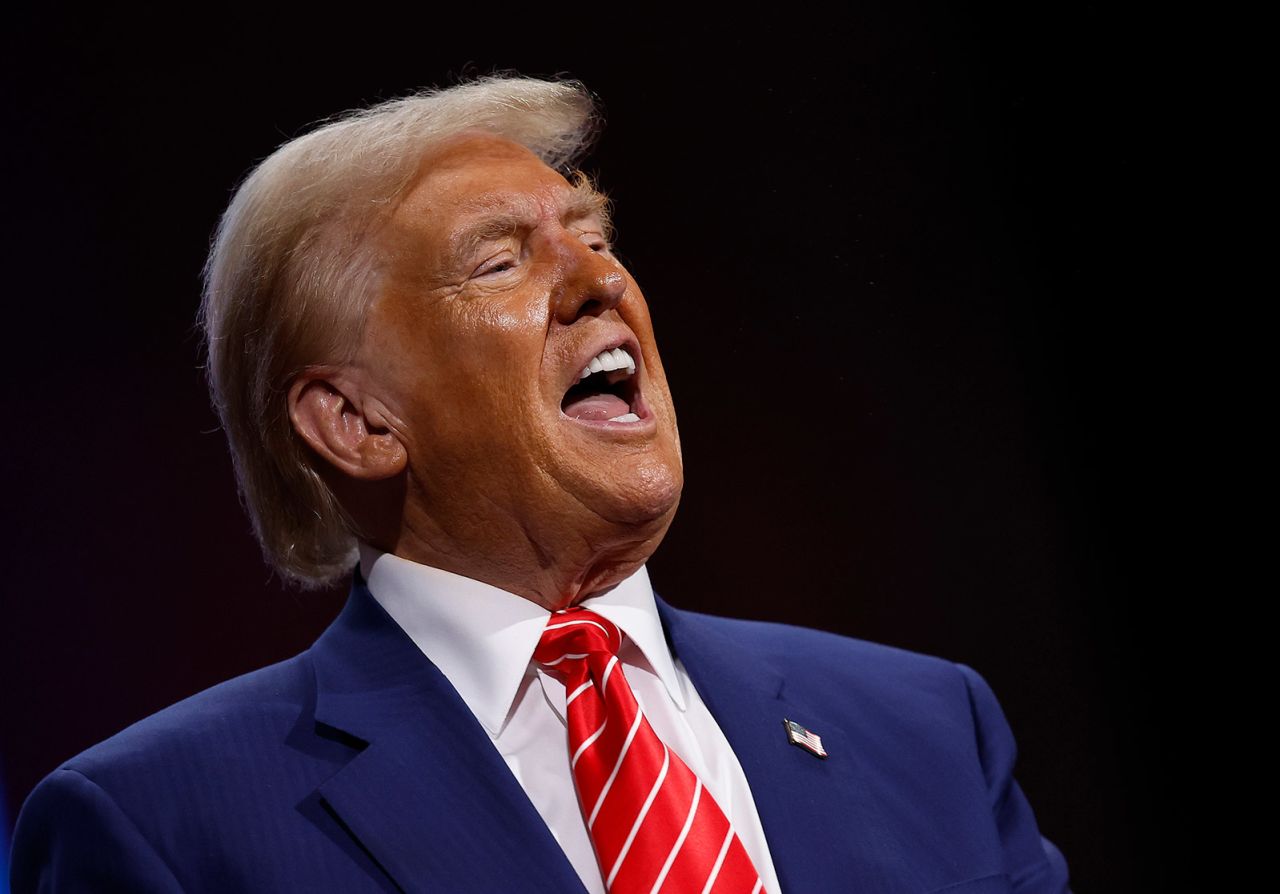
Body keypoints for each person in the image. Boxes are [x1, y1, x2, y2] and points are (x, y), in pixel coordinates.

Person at [9, 76, 1070, 893]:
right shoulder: (158, 825)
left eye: (597, 236)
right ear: (357, 421)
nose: (602, 280)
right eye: (499, 261)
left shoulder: (926, 725)